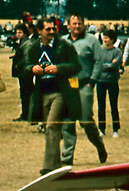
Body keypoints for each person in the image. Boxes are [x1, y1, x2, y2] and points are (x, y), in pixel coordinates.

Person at [24, 18, 105, 175]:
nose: (52, 31)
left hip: (68, 90)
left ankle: (50, 165)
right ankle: (58, 163)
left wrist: (59, 69)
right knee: (55, 128)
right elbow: (24, 66)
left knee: (75, 122)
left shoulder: (68, 45)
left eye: (53, 28)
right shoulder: (35, 47)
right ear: (39, 31)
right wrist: (31, 69)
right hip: (47, 91)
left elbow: (80, 65)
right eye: (48, 29)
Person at [60, 13, 109, 167]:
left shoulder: (91, 41)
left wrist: (91, 82)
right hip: (68, 86)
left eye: (79, 23)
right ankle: (66, 159)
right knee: (67, 122)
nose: (77, 26)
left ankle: (99, 145)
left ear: (84, 25)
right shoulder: (62, 41)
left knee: (85, 120)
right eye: (73, 24)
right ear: (68, 25)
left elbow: (99, 61)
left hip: (84, 85)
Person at [91, 28, 123, 137]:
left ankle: (115, 129)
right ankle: (101, 129)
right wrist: (107, 65)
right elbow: (97, 63)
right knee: (101, 105)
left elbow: (114, 65)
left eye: (106, 37)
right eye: (104, 37)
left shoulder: (117, 51)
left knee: (113, 105)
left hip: (113, 81)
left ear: (112, 39)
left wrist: (106, 65)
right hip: (100, 81)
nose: (104, 39)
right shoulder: (100, 50)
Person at [10, 23, 33, 121]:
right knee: (24, 94)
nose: (18, 34)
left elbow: (26, 58)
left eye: (20, 32)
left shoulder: (27, 43)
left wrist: (18, 65)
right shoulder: (22, 42)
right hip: (23, 72)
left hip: (25, 73)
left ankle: (26, 114)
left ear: (25, 33)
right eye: (17, 32)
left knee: (26, 94)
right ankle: (26, 114)